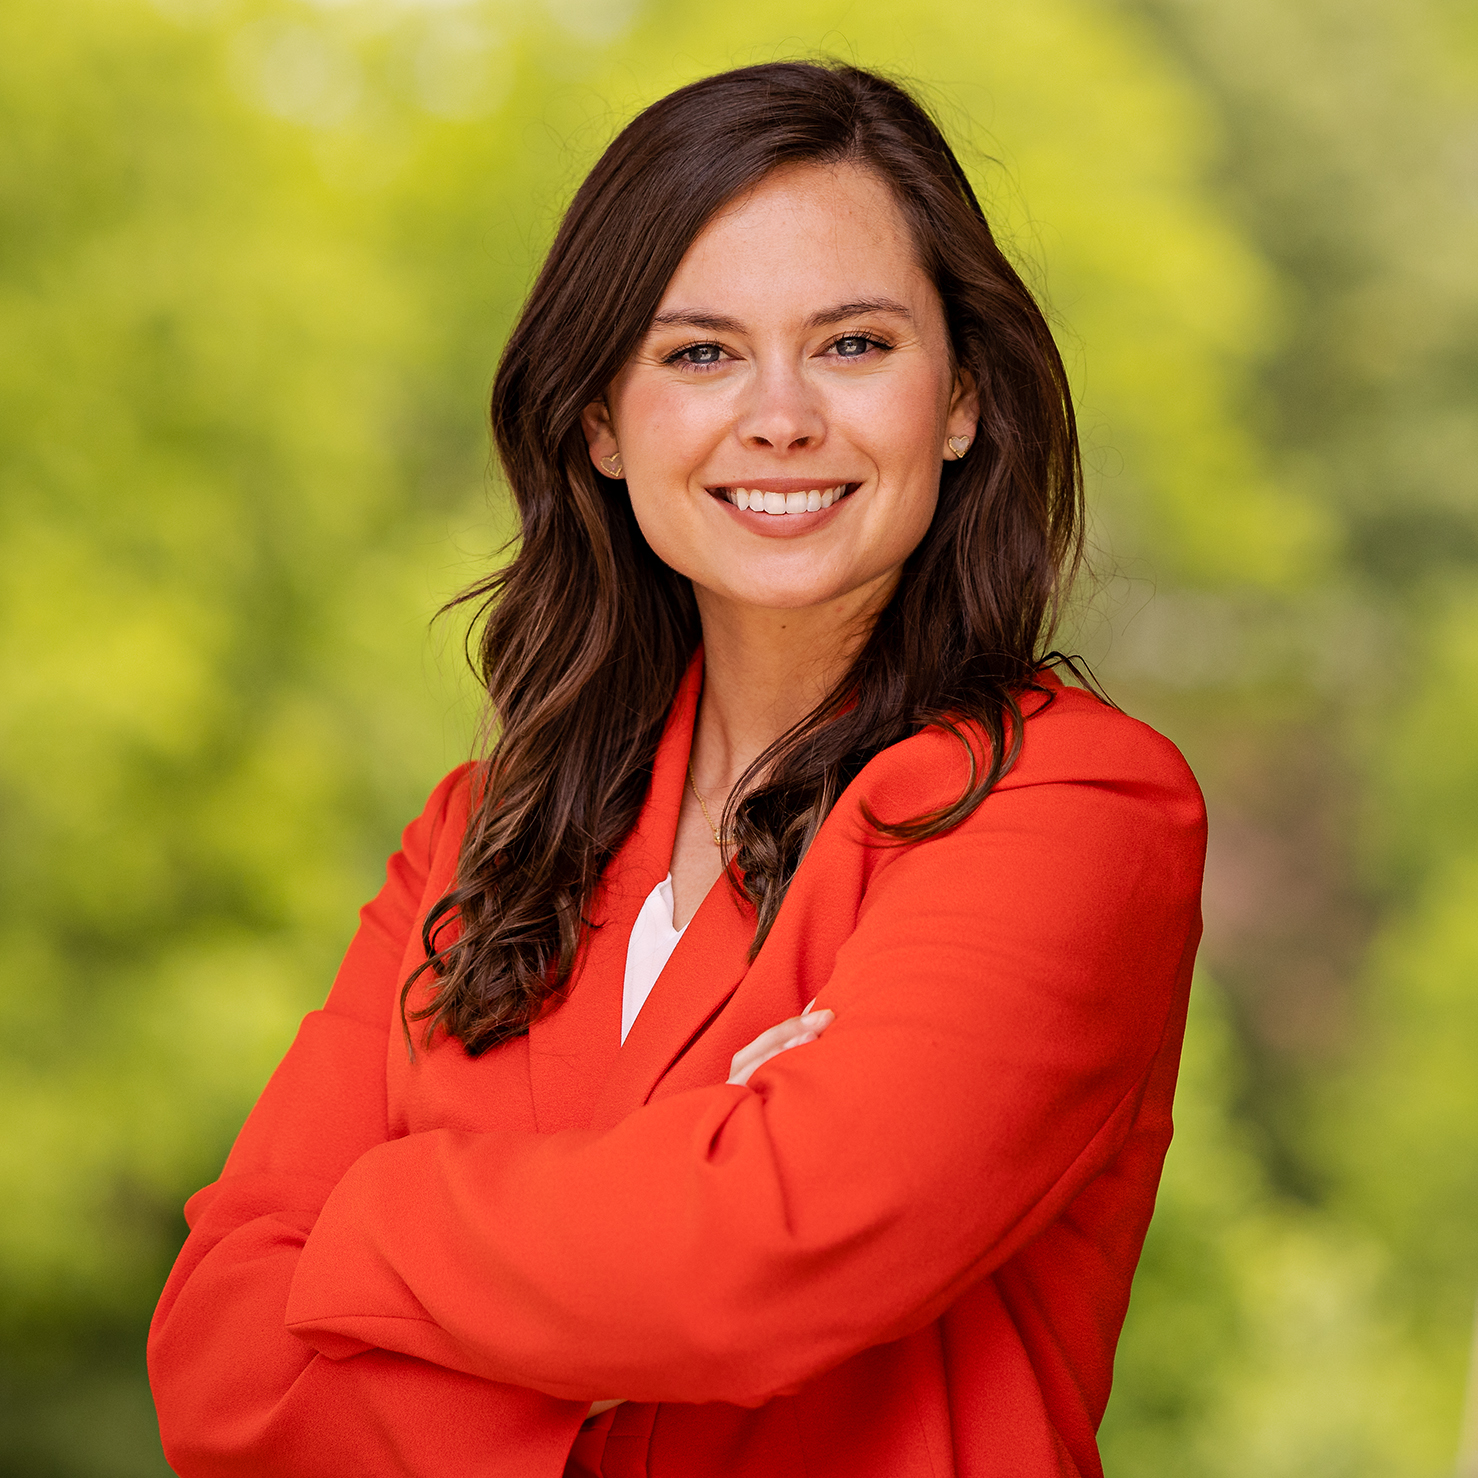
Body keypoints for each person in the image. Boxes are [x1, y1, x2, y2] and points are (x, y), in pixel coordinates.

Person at [147, 60, 1206, 1478]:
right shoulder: (478, 841)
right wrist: (672, 1212)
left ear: (959, 400)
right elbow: (216, 1357)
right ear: (598, 420)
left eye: (852, 345)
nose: (778, 415)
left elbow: (754, 1259)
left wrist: (369, 1212)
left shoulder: (1072, 809)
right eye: (698, 352)